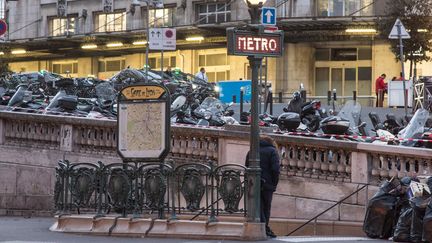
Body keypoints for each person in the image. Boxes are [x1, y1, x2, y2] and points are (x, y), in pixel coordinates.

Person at [245, 135, 280, 238]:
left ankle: (263, 228)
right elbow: (275, 169)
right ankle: (265, 228)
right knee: (266, 207)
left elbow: (247, 167)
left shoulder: (252, 151)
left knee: (258, 207)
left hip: (254, 184)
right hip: (268, 184)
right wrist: (274, 183)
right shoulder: (272, 151)